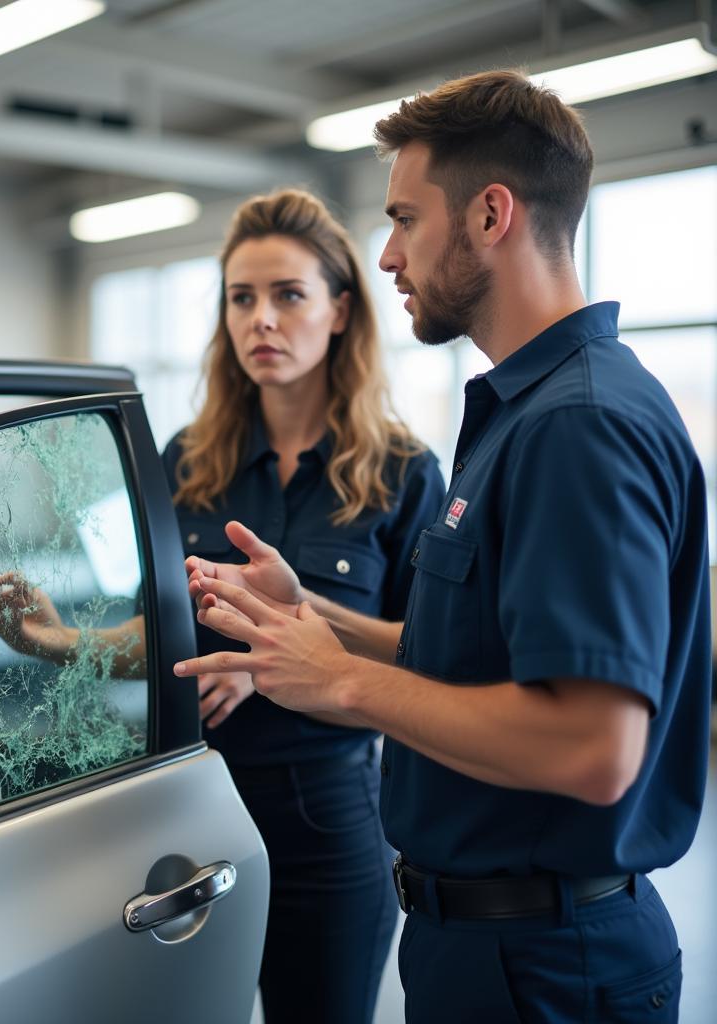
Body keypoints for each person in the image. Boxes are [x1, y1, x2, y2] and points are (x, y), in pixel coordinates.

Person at [174, 71, 711, 1023]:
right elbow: (466, 656)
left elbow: (594, 747)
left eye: (405, 219)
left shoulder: (577, 426)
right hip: (482, 943)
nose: (387, 256)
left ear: (491, 215)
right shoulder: (524, 411)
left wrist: (338, 683)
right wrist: (311, 619)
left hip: (546, 964)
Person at [162, 188, 445, 1024]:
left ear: (341, 311)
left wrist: (277, 655)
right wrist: (57, 638)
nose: (262, 320)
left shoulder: (403, 472)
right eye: (241, 298)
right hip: (188, 809)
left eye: (288, 295)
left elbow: (428, 650)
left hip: (326, 820)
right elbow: (159, 626)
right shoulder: (186, 460)